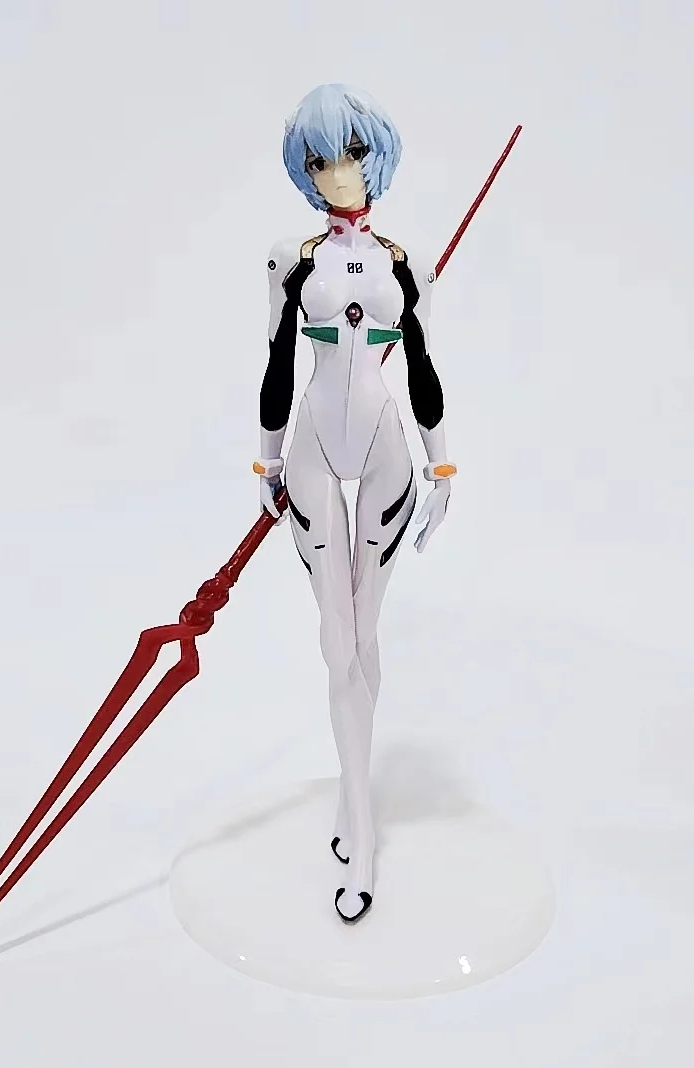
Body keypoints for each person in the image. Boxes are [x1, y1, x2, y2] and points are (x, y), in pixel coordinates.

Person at [255, 83, 456, 924]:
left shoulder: (408, 266)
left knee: (365, 633)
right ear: (303, 171)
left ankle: (356, 811)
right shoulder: (290, 260)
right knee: (335, 639)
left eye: (352, 153)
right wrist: (266, 462)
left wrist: (442, 469)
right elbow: (275, 362)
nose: (338, 173)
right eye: (319, 160)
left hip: (385, 451)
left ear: (378, 155)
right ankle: (361, 823)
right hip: (309, 450)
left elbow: (422, 368)